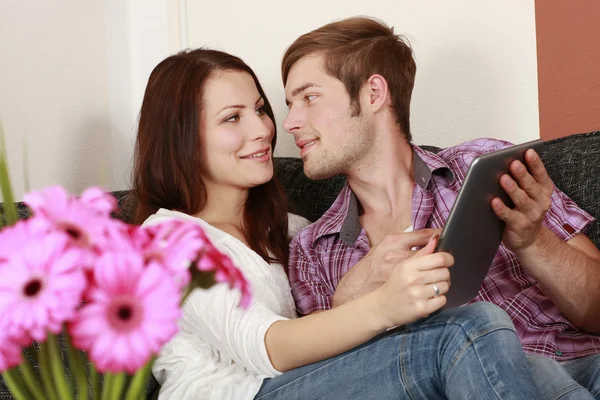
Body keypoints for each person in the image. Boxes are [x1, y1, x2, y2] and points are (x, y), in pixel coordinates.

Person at [132, 48, 541, 399]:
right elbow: (265, 347)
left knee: (525, 359)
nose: (263, 130)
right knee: (469, 329)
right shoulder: (166, 238)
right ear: (182, 138)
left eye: (259, 110)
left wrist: (367, 280)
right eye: (232, 118)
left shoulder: (288, 230)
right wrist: (384, 305)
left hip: (298, 384)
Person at [283, 16, 600, 399]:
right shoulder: (312, 251)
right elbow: (343, 386)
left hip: (585, 364)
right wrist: (347, 302)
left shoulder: (482, 166)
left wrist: (534, 242)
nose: (290, 122)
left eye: (309, 97)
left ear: (373, 94)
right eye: (289, 104)